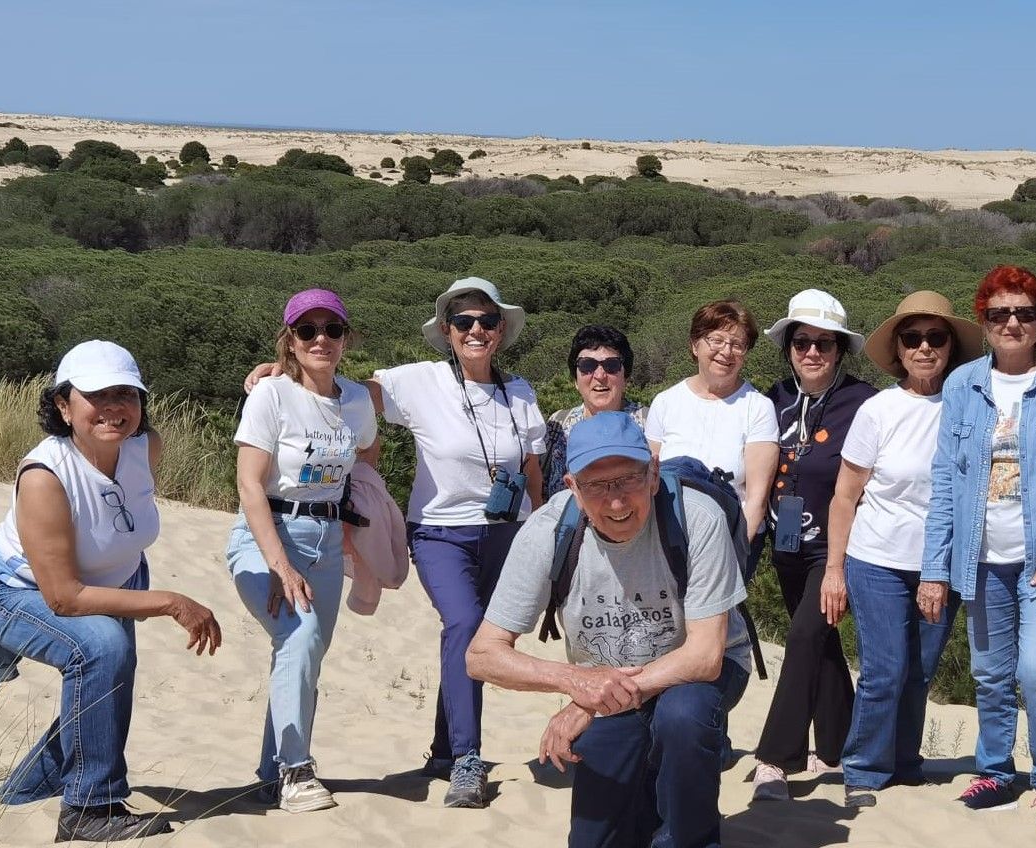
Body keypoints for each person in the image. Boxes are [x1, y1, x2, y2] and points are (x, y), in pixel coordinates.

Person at [250, 276, 547, 807]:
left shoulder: (518, 391)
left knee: (473, 635)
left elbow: (530, 470)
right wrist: (283, 373)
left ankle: (442, 748)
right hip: (439, 531)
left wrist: (543, 533)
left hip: (508, 533)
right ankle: (467, 759)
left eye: (486, 320)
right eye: (463, 321)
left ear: (501, 329)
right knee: (464, 625)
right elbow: (341, 392)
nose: (475, 329)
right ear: (447, 332)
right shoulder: (419, 381)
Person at [467, 411, 754, 848]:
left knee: (683, 715)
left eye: (628, 480)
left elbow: (706, 655)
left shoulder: (698, 517)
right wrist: (573, 682)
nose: (617, 502)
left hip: (694, 672)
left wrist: (594, 699)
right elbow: (481, 655)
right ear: (572, 487)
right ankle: (664, 798)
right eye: (598, 486)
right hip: (612, 691)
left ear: (652, 471)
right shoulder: (550, 527)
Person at [0, 340, 222, 842]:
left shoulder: (146, 447)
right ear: (64, 404)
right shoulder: (44, 476)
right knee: (102, 649)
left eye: (126, 393)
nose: (113, 407)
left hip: (112, 584)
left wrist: (272, 375)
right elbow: (62, 597)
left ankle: (23, 794)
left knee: (106, 677)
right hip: (14, 593)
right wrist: (169, 601)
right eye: (96, 395)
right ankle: (90, 809)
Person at [921, 265, 1036, 830]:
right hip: (979, 559)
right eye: (999, 313)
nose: (1011, 322)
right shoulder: (962, 386)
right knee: (990, 672)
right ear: (983, 320)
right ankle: (996, 771)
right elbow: (947, 482)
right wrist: (935, 568)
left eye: (1023, 313)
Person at [822, 291, 981, 808]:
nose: (924, 347)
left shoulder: (973, 404)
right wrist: (834, 569)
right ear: (898, 348)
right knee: (885, 669)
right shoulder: (879, 410)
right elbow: (845, 495)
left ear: (951, 346)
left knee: (920, 671)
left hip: (947, 562)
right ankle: (864, 768)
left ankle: (906, 763)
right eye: (912, 338)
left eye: (936, 337)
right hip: (878, 560)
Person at [226, 289, 378, 813]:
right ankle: (296, 771)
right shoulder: (269, 395)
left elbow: (364, 456)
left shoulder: (355, 398)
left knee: (304, 653)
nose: (321, 340)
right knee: (300, 636)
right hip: (267, 534)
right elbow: (249, 484)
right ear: (290, 338)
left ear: (345, 337)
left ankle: (271, 772)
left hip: (328, 543)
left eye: (331, 330)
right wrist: (280, 563)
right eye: (307, 330)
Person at [749, 290, 877, 802]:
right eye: (803, 342)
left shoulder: (863, 402)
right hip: (785, 545)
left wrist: (840, 566)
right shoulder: (771, 399)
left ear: (841, 350)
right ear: (788, 347)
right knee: (820, 645)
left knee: (803, 637)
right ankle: (837, 744)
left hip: (834, 547)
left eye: (826, 343)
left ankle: (775, 759)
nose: (813, 352)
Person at [644, 300, 780, 545]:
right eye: (716, 340)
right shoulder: (665, 402)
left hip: (731, 537)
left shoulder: (758, 407)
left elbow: (756, 499)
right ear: (695, 345)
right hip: (668, 536)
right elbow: (649, 481)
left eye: (737, 344)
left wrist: (736, 555)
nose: (726, 352)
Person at [542, 324, 645, 500]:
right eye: (587, 365)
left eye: (611, 365)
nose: (599, 375)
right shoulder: (557, 425)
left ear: (625, 377)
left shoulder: (647, 422)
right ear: (575, 379)